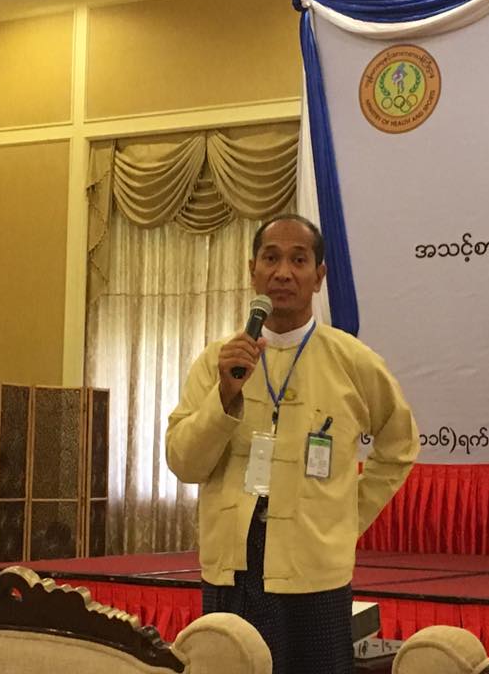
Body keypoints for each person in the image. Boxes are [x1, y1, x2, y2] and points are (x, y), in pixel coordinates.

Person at [166, 213, 419, 674]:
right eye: (271, 258)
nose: (283, 272)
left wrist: (345, 516)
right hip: (233, 567)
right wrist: (225, 394)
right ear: (253, 271)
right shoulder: (217, 361)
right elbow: (184, 463)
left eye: (298, 260)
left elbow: (399, 446)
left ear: (318, 277)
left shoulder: (353, 361)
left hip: (315, 571)